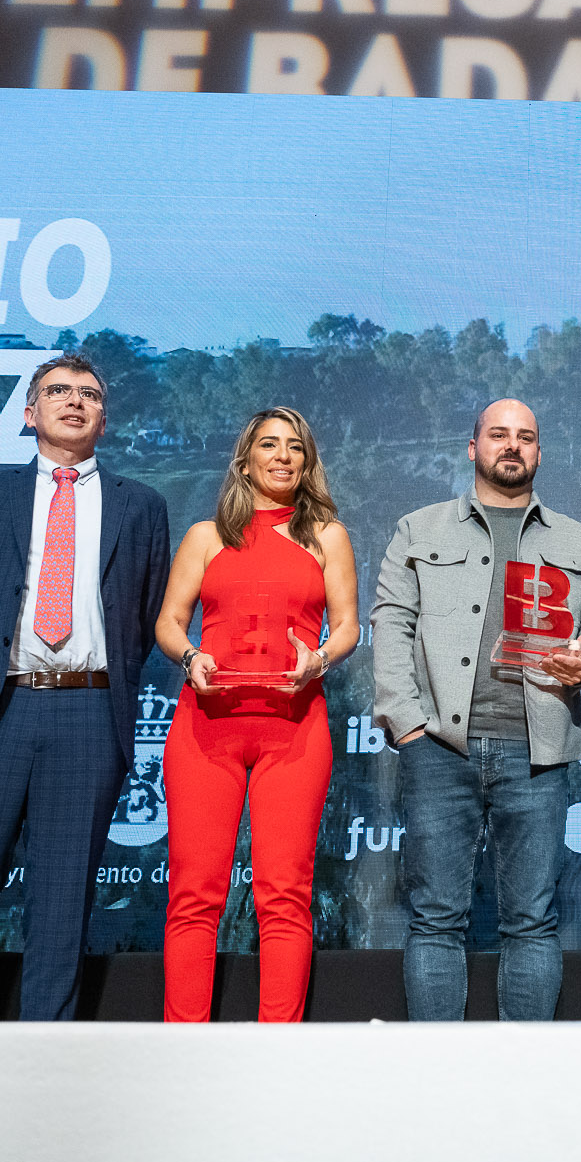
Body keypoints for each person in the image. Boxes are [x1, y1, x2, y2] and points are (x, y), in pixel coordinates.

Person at [0, 353, 171, 1022]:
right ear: (29, 413)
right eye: (58, 391)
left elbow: (142, 619)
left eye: (89, 393)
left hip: (87, 713)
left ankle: (43, 1063)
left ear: (104, 418)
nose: (74, 402)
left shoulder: (142, 505)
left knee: (60, 911)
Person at [372, 398, 581, 1020]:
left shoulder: (575, 539)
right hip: (439, 749)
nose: (512, 446)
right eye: (498, 435)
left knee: (533, 922)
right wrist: (408, 723)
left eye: (526, 437)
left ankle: (520, 1079)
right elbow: (391, 623)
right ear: (471, 447)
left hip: (538, 750)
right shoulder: (418, 529)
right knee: (435, 921)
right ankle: (440, 1076)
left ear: (539, 451)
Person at [154, 407, 358, 1022]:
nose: (281, 456)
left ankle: (278, 1052)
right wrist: (189, 656)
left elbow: (347, 625)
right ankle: (182, 1045)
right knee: (194, 895)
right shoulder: (205, 536)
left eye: (294, 447)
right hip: (205, 727)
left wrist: (318, 658)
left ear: (307, 462)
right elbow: (169, 621)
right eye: (268, 445)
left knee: (285, 895)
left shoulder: (328, 536)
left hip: (294, 729)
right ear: (245, 458)